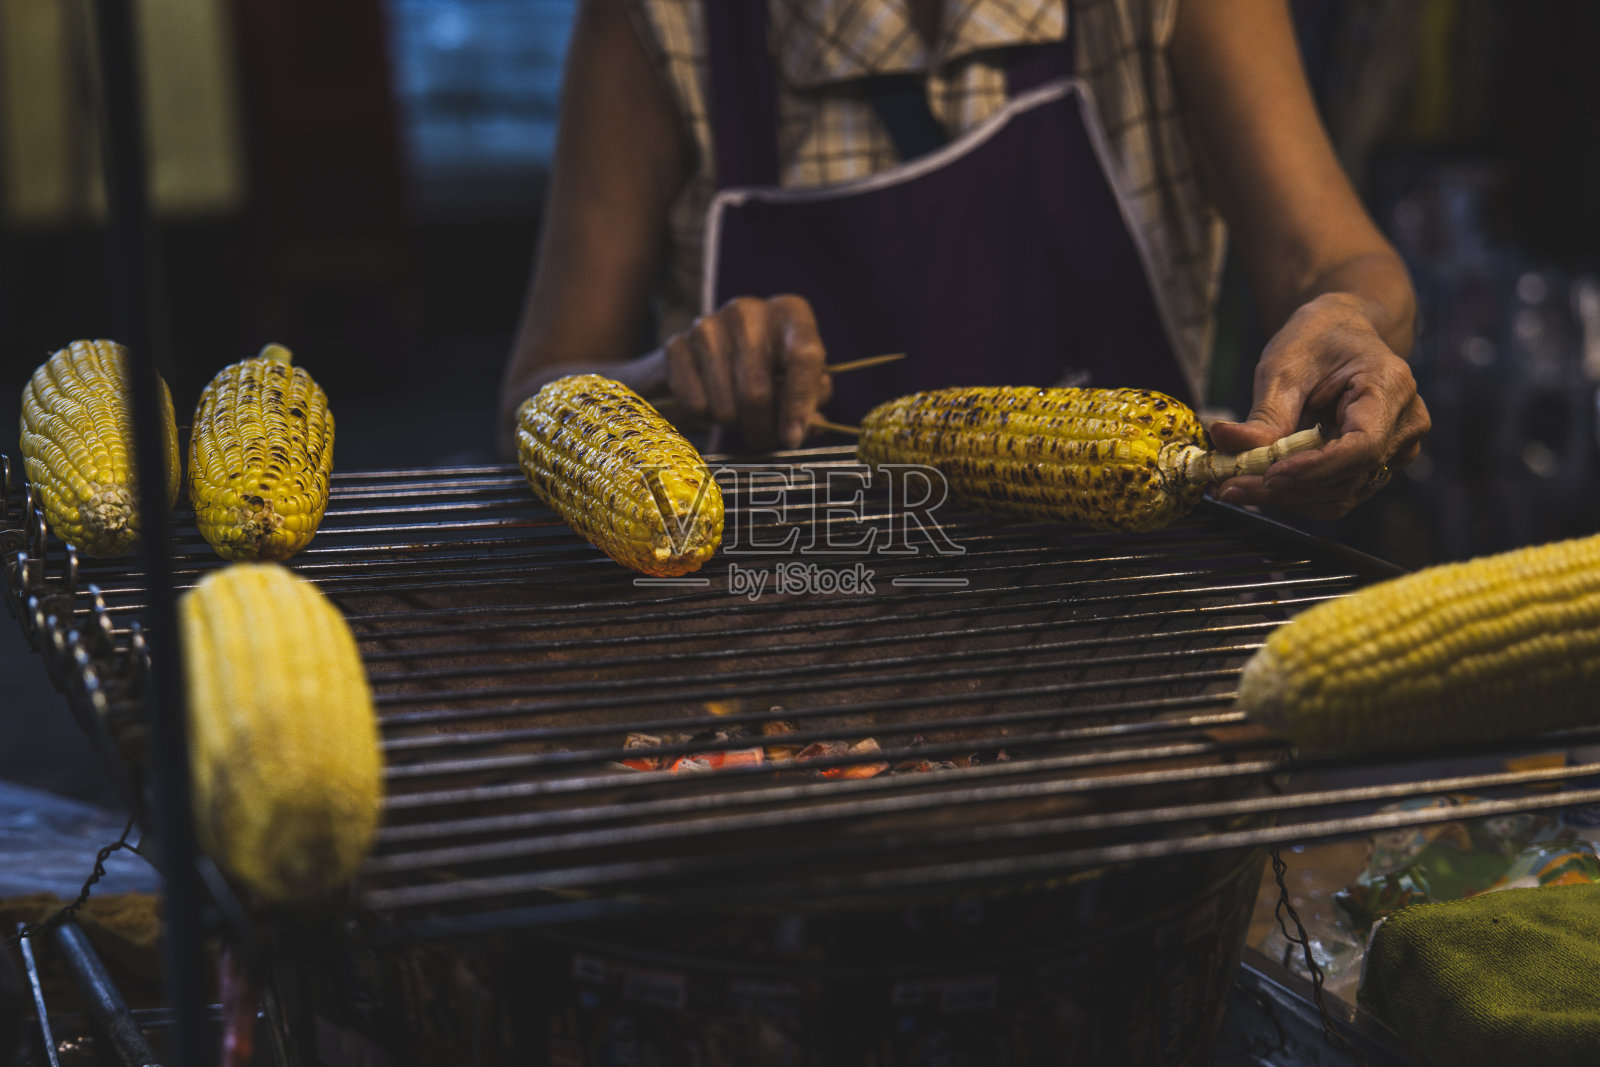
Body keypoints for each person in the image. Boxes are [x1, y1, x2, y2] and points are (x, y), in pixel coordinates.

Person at [498, 0, 1430, 520]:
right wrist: (660, 376)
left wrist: (1349, 321)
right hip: (787, 642)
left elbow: (1332, 257)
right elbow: (532, 395)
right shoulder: (661, 23)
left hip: (1127, 627)